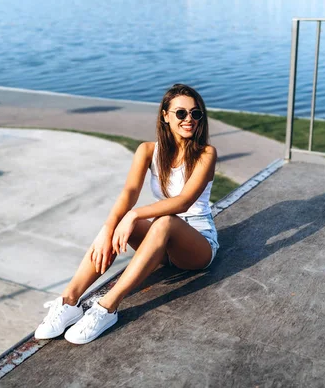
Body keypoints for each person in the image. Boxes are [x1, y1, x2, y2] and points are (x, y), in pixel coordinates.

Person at [34, 84, 220, 344]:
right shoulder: (147, 151)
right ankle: (69, 301)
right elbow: (129, 193)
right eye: (180, 113)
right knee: (123, 222)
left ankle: (106, 308)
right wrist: (106, 231)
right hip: (161, 243)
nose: (188, 119)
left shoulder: (206, 153)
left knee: (162, 221)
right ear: (165, 115)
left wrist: (133, 215)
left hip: (197, 243)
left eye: (195, 114)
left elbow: (183, 202)